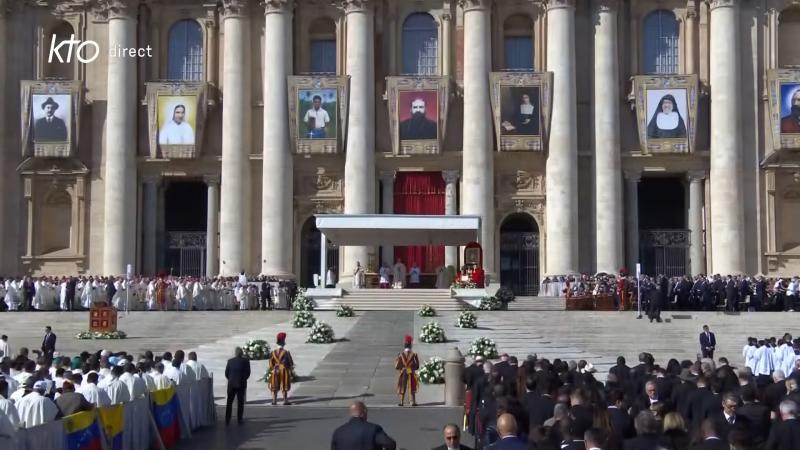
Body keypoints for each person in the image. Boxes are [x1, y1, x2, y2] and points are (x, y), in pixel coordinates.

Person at [330, 401, 396, 450]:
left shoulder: (338, 432)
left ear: (351, 413)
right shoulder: (374, 429)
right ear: (364, 412)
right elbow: (390, 444)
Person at [224, 346, 250, 425]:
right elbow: (248, 373)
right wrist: (243, 379)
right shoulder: (246, 361)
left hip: (231, 384)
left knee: (229, 402)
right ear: (242, 353)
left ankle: (227, 419)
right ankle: (239, 419)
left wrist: (231, 379)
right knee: (240, 402)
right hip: (241, 384)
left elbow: (226, 373)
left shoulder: (230, 361)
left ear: (235, 353)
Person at [268, 332, 294, 406]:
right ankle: (285, 400)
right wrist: (290, 370)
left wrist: (273, 368)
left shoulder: (273, 352)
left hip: (275, 369)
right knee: (284, 384)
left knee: (274, 384)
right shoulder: (286, 352)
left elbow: (270, 362)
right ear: (283, 343)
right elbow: (290, 363)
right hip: (284, 370)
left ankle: (274, 400)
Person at [395, 335, 419, 407]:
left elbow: (397, 365)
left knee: (402, 386)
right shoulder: (414, 354)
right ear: (410, 345)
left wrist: (401, 368)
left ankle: (401, 402)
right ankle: (413, 401)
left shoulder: (401, 354)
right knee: (412, 386)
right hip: (411, 372)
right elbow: (417, 365)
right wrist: (413, 367)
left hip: (403, 372)